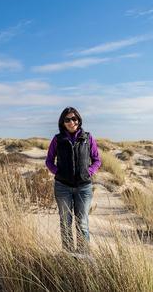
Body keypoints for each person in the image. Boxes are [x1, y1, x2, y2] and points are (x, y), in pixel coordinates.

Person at [45, 107, 101, 253]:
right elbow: (49, 161)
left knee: (82, 223)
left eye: (74, 119)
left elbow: (97, 160)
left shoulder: (87, 138)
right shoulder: (58, 139)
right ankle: (68, 255)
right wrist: (59, 173)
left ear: (79, 120)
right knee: (65, 222)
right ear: (63, 122)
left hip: (84, 188)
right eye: (67, 119)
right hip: (62, 187)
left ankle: (83, 256)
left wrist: (88, 172)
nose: (71, 122)